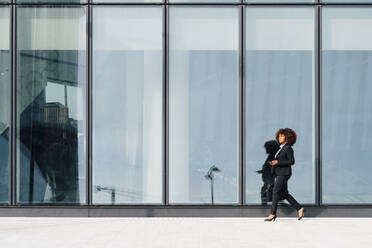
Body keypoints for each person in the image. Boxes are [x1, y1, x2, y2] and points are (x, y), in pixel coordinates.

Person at [264, 128, 305, 221]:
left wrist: (277, 162)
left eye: (282, 136)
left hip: (284, 173)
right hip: (279, 173)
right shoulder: (281, 148)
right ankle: (299, 208)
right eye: (279, 136)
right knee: (285, 193)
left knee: (275, 191)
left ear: (287, 137)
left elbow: (291, 161)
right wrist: (275, 174)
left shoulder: (288, 148)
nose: (280, 138)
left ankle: (272, 213)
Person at [256, 140, 280, 204]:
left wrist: (264, 171)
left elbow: (271, 167)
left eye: (267, 148)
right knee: (266, 189)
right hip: (268, 179)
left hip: (270, 179)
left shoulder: (273, 157)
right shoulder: (271, 156)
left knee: (267, 190)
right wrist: (263, 171)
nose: (266, 150)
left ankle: (266, 202)